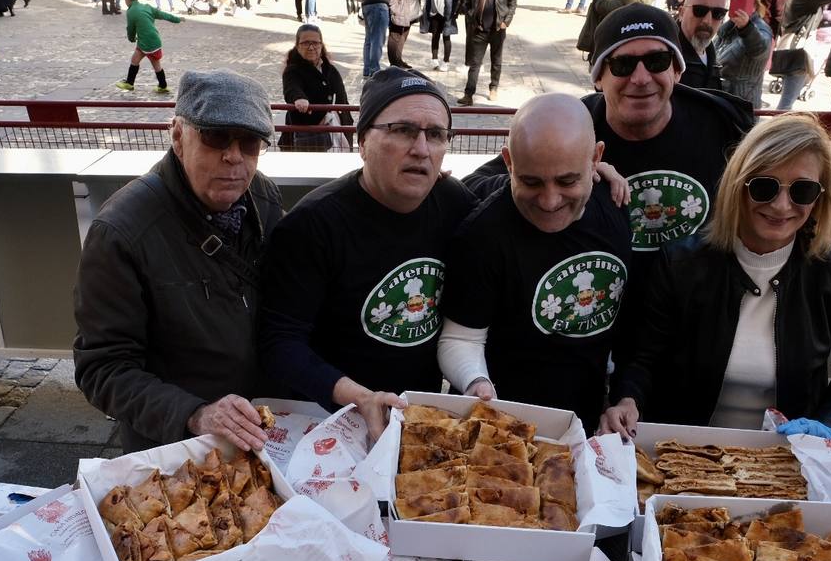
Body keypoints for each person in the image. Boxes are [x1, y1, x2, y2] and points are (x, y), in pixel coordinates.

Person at [600, 113, 831, 438]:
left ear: (821, 197)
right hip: (685, 452)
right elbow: (642, 355)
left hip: (787, 457)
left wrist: (828, 423)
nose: (781, 206)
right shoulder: (681, 262)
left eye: (802, 191)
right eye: (764, 187)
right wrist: (627, 398)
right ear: (738, 186)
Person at [259, 67, 478, 438]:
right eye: (403, 130)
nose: (421, 149)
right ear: (362, 142)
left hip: (416, 417)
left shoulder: (455, 204)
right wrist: (357, 396)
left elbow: (521, 206)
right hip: (330, 421)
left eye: (435, 135)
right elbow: (278, 342)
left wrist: (595, 175)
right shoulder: (312, 225)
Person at [74, 70, 283, 453]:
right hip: (174, 446)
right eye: (215, 136)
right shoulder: (121, 232)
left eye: (250, 143)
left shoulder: (262, 196)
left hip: (259, 428)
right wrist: (195, 414)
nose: (234, 156)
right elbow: (102, 369)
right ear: (177, 135)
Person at [480, 4, 756, 267]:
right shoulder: (573, 129)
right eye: (623, 64)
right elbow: (477, 185)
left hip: (693, 305)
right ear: (599, 77)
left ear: (677, 70)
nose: (640, 78)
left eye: (656, 61)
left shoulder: (724, 124)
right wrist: (572, 175)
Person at [438, 93, 631, 430]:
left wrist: (623, 396)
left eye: (567, 180)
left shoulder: (615, 203)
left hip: (588, 423)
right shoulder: (483, 233)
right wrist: (476, 384)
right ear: (509, 163)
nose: (550, 200)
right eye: (531, 182)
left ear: (596, 158)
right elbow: (461, 339)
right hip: (499, 426)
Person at [457, 0, 514, 104]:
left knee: (496, 61)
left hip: (497, 28)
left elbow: (512, 2)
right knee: (475, 64)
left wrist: (505, 22)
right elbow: (466, 2)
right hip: (479, 29)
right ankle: (468, 94)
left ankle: (493, 87)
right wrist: (471, 16)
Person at [281, 23, 350, 150]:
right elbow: (292, 87)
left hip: (335, 131)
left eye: (315, 43)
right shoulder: (293, 70)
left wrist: (348, 126)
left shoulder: (330, 69)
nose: (311, 47)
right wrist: (299, 98)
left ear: (321, 45)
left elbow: (343, 99)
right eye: (306, 43)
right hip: (307, 134)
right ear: (297, 46)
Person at [115, 0, 180, 92]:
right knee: (142, 61)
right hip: (154, 41)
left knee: (144, 62)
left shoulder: (131, 11)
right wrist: (177, 19)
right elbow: (163, 15)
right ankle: (161, 85)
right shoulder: (147, 7)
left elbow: (130, 28)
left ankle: (132, 83)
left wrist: (131, 38)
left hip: (146, 44)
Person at [715, 0, 773, 103]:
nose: (737, 6)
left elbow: (759, 48)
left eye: (742, 2)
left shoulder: (760, 28)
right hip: (723, 94)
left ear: (754, 6)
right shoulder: (730, 27)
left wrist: (746, 28)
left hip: (741, 99)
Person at [677, 0, 729, 89]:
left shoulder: (712, 57)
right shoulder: (667, 57)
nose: (707, 21)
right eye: (699, 10)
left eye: (718, 13)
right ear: (682, 12)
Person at [420, 0, 459, 70]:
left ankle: (446, 61)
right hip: (435, 13)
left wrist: (453, 13)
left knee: (446, 37)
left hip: (447, 15)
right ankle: (434, 59)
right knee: (435, 36)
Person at [386, 0, 420, 68]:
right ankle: (394, 64)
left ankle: (398, 60)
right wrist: (394, 5)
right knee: (395, 35)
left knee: (403, 34)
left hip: (409, 7)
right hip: (399, 6)